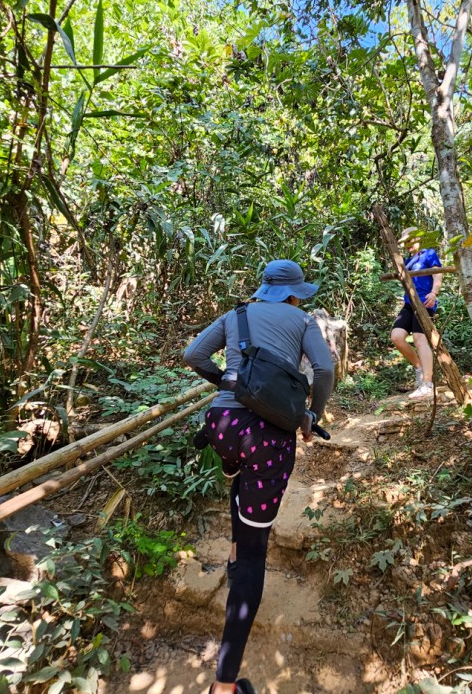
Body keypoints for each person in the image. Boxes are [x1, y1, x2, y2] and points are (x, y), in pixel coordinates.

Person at [183, 259, 335, 694]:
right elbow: (323, 370)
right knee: (253, 554)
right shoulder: (303, 319)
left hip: (223, 424)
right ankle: (225, 685)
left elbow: (193, 354)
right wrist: (311, 416)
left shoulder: (237, 314)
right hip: (269, 439)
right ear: (295, 293)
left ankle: (232, 466)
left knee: (238, 473)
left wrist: (227, 383)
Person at [390, 229, 442, 399]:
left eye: (410, 242)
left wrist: (434, 293)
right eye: (405, 243)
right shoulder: (407, 261)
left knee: (420, 339)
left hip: (424, 303)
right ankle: (419, 367)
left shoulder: (429, 253)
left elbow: (437, 274)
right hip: (409, 303)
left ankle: (427, 383)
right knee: (397, 337)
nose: (408, 246)